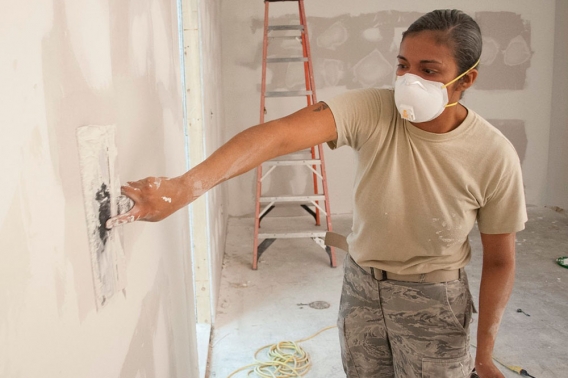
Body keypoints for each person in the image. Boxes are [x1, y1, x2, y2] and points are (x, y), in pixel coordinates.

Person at [107, 9, 527, 378]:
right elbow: (277, 136)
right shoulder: (374, 110)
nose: (408, 81)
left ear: (465, 79)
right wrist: (185, 187)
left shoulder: (492, 154)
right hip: (362, 286)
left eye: (429, 70)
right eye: (402, 65)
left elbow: (500, 260)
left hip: (435, 302)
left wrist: (484, 353)